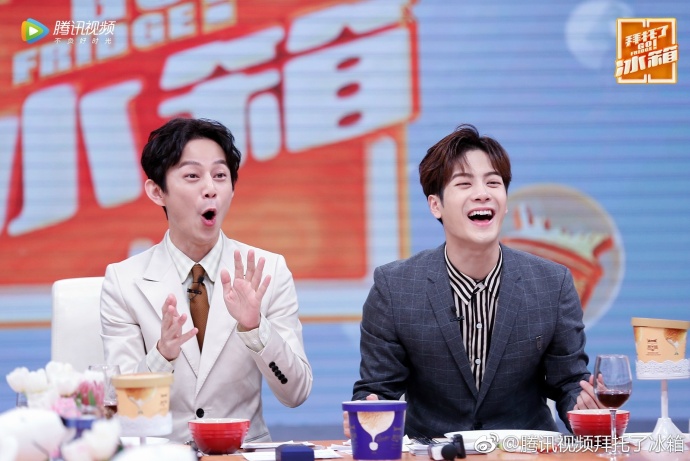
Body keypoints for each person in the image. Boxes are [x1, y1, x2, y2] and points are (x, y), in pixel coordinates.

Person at [349, 124, 602, 439]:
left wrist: (584, 408)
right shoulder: (395, 287)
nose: (483, 193)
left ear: (505, 202)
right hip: (435, 452)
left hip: (524, 452)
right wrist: (368, 410)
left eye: (493, 183)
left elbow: (568, 383)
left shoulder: (552, 283)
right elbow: (377, 390)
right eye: (464, 183)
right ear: (435, 205)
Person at [100, 117, 313, 443]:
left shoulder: (269, 270)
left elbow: (296, 392)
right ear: (157, 191)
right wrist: (162, 354)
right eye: (192, 176)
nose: (210, 188)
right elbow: (122, 409)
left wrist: (256, 328)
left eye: (220, 175)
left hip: (242, 452)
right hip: (162, 452)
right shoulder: (124, 281)